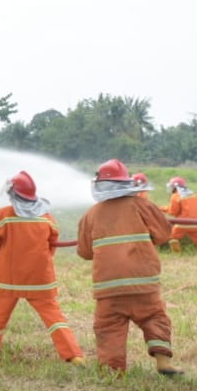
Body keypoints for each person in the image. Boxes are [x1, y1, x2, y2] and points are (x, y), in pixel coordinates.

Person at [76, 159, 183, 375]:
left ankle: (113, 372)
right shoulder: (141, 205)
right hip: (143, 283)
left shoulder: (91, 214)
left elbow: (85, 252)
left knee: (108, 328)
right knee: (155, 317)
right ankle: (163, 362)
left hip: (108, 288)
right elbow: (163, 234)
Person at [0, 171, 84, 364]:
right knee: (54, 317)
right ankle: (74, 355)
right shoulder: (46, 218)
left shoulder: (2, 216)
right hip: (41, 281)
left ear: (13, 194)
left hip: (9, 281)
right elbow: (51, 246)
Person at [166, 176, 197, 255]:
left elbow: (173, 212)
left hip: (183, 223)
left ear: (175, 186)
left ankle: (177, 256)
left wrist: (163, 208)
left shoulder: (175, 196)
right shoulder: (192, 194)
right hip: (196, 223)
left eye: (172, 186)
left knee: (173, 238)